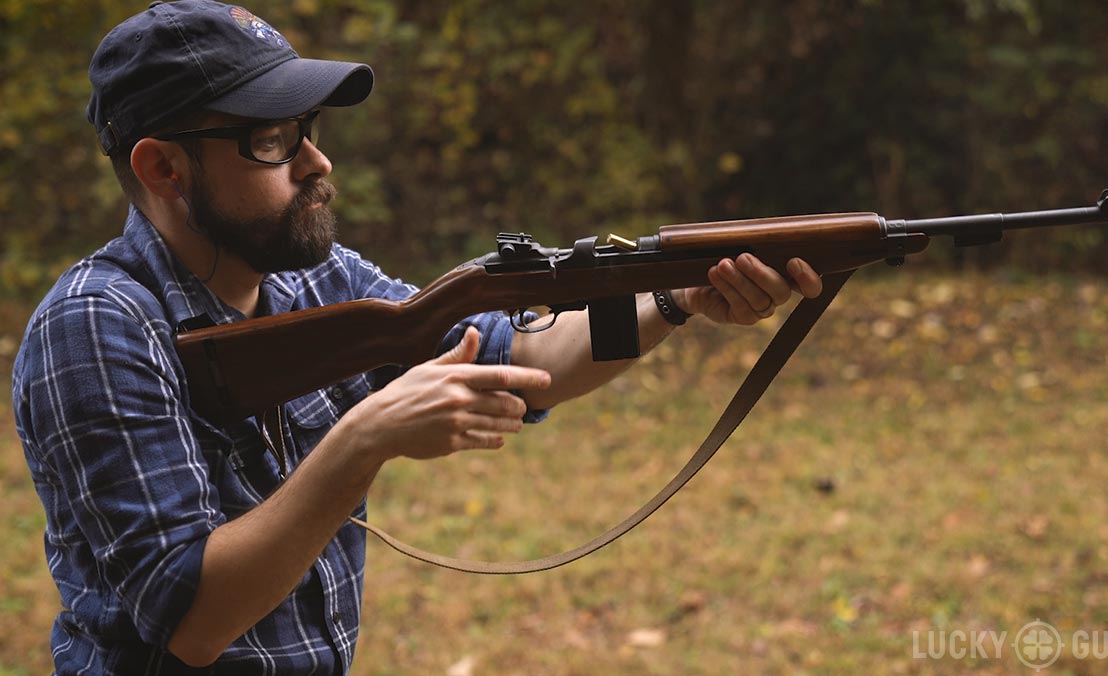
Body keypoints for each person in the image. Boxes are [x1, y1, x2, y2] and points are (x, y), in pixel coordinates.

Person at [11, 1, 823, 673]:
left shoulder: (314, 280)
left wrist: (672, 300)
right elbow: (192, 619)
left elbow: (522, 355)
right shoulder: (96, 324)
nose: (316, 161)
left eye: (308, 127)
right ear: (163, 169)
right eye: (270, 140)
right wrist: (362, 440)